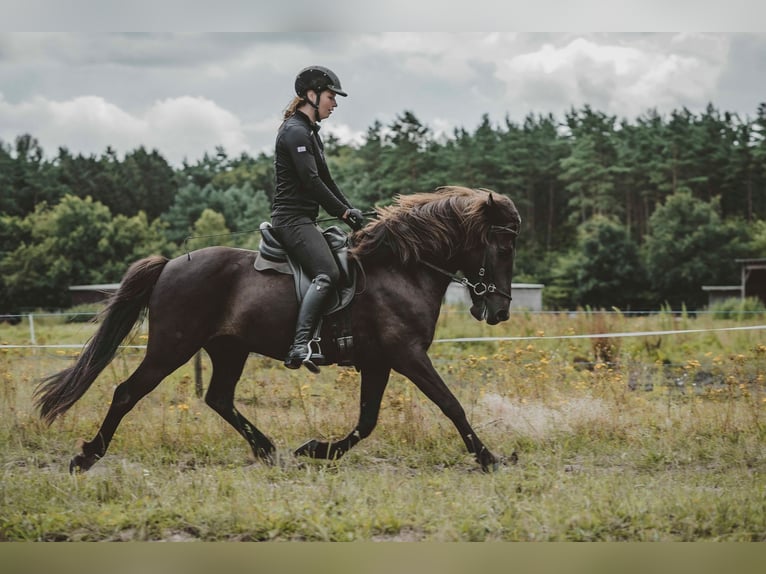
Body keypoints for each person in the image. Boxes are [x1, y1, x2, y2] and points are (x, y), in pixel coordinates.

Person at [271, 65, 365, 373]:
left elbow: (327, 181)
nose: (334, 104)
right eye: (330, 97)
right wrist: (341, 211)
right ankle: (300, 345)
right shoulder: (295, 131)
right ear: (311, 95)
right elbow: (311, 183)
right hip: (292, 220)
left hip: (305, 220)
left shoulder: (310, 133)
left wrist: (351, 212)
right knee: (327, 272)